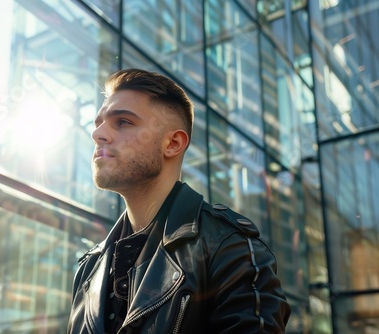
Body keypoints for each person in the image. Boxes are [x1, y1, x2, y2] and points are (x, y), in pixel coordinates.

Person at [67, 68, 291, 333]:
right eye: (98, 123)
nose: (98, 134)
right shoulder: (89, 268)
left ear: (173, 143)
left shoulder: (228, 247)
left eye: (123, 122)